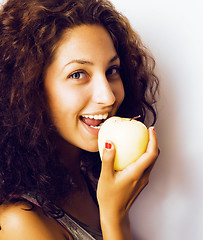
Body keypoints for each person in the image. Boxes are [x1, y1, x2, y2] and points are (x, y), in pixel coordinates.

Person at [0, 0, 159, 239]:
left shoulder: (89, 178)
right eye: (78, 74)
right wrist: (115, 217)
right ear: (30, 87)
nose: (107, 96)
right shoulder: (20, 222)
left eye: (111, 71)